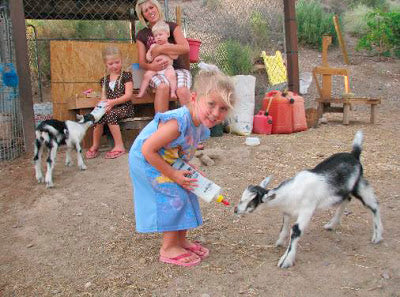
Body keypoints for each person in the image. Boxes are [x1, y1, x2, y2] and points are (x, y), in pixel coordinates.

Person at [128, 70, 236, 267]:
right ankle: (168, 248)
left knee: (189, 188)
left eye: (223, 109)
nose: (215, 113)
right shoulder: (177, 122)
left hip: (166, 160)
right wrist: (173, 175)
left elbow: (178, 151)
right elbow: (147, 149)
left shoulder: (201, 127)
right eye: (211, 104)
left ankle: (180, 241)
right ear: (194, 98)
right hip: (146, 160)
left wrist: (189, 171)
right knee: (174, 195)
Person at [135, 0, 191, 112]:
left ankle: (192, 125)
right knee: (162, 86)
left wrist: (160, 48)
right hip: (157, 71)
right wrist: (152, 67)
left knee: (182, 90)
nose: (150, 12)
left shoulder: (172, 26)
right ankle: (162, 125)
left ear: (157, 7)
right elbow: (141, 62)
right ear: (143, 15)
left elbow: (185, 47)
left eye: (151, 7)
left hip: (178, 68)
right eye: (145, 10)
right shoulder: (142, 34)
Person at [85, 46, 134, 159]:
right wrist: (100, 105)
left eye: (117, 62)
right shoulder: (104, 80)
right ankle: (95, 145)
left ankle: (119, 146)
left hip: (124, 107)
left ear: (121, 61)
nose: (114, 66)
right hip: (110, 107)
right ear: (106, 64)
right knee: (99, 117)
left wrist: (113, 102)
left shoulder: (126, 76)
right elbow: (103, 97)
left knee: (110, 114)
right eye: (111, 64)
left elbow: (128, 95)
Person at [137, 21, 178, 100]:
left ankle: (173, 92)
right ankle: (141, 92)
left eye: (160, 35)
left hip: (167, 67)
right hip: (155, 68)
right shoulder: (153, 46)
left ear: (168, 34)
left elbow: (175, 56)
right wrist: (149, 57)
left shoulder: (171, 46)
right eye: (155, 36)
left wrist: (167, 52)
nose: (158, 37)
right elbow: (148, 56)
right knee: (147, 75)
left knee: (172, 76)